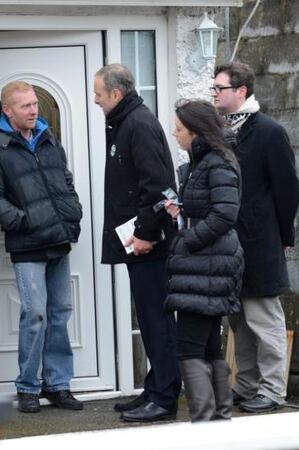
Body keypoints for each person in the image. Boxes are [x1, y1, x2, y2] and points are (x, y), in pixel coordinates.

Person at [0, 81, 83, 413]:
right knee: (34, 315)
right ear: (7, 110)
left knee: (59, 314)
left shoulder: (48, 137)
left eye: (35, 104)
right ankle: (27, 387)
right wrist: (24, 221)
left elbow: (64, 180)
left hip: (59, 239)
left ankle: (58, 385)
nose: (33, 110)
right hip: (27, 245)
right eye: (25, 106)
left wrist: (72, 210)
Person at [211, 62, 299, 412]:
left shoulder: (269, 132)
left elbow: (288, 190)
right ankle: (246, 385)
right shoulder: (218, 131)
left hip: (261, 241)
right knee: (238, 320)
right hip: (228, 242)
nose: (215, 93)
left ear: (241, 92)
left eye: (220, 88)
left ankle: (273, 391)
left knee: (265, 318)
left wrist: (283, 234)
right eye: (214, 88)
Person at [94, 63, 181, 422]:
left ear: (116, 93)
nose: (95, 100)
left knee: (157, 318)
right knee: (148, 317)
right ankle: (154, 387)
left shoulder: (138, 125)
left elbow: (157, 186)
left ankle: (163, 398)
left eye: (99, 93)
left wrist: (145, 234)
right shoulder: (126, 123)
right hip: (137, 242)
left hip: (149, 244)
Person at [163, 100, 243, 422]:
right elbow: (210, 209)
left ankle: (206, 426)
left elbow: (225, 214)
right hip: (206, 264)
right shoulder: (203, 163)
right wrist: (182, 213)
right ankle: (218, 423)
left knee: (189, 348)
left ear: (196, 132)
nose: (174, 133)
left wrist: (187, 240)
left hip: (207, 263)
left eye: (179, 129)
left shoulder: (217, 163)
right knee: (209, 347)